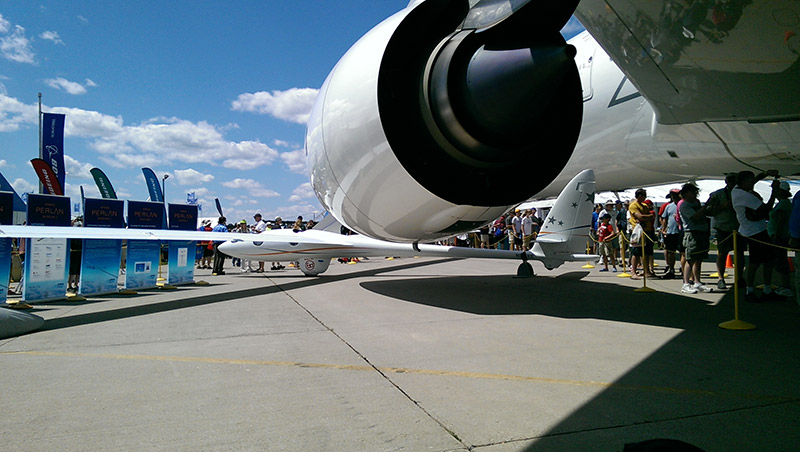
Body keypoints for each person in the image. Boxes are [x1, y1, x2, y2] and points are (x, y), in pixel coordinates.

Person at [731, 170, 781, 302]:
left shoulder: (736, 190)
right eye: (749, 182)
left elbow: (751, 182)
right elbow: (766, 208)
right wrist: (774, 192)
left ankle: (763, 289)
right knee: (756, 263)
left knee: (764, 261)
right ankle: (752, 290)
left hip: (750, 230)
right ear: (743, 182)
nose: (752, 185)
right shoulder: (745, 196)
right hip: (755, 232)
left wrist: (764, 174)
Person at [704, 173, 741, 290]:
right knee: (722, 254)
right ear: (726, 182)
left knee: (740, 254)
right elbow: (707, 211)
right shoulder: (717, 195)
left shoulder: (742, 193)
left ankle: (740, 278)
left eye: (734, 180)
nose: (732, 183)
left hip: (739, 228)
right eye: (730, 180)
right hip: (723, 228)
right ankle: (721, 278)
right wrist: (723, 207)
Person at [678, 184, 712, 294]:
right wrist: (705, 206)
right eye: (692, 192)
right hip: (692, 233)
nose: (694, 195)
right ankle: (686, 283)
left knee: (699, 258)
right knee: (690, 259)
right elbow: (695, 216)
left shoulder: (696, 203)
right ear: (686, 193)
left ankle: (697, 282)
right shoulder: (684, 205)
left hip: (701, 232)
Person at [768, 181, 793, 297]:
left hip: (780, 237)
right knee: (780, 260)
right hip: (781, 236)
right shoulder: (785, 203)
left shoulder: (783, 205)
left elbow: (780, 221)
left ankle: (786, 286)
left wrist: (776, 235)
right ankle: (785, 285)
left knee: (781, 260)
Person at [628, 189, 656, 279]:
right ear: (639, 196)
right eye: (644, 195)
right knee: (636, 252)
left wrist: (646, 217)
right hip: (637, 231)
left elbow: (651, 216)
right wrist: (647, 217)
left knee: (647, 252)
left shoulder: (645, 206)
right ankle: (633, 272)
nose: (645, 197)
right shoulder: (633, 205)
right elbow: (640, 217)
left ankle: (646, 271)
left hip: (647, 231)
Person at [660, 189, 684, 279]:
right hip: (671, 232)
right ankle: (671, 269)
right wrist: (664, 229)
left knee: (682, 252)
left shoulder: (683, 204)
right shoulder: (668, 206)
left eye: (675, 195)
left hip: (681, 232)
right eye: (672, 195)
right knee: (670, 252)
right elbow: (664, 218)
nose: (674, 197)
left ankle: (683, 268)